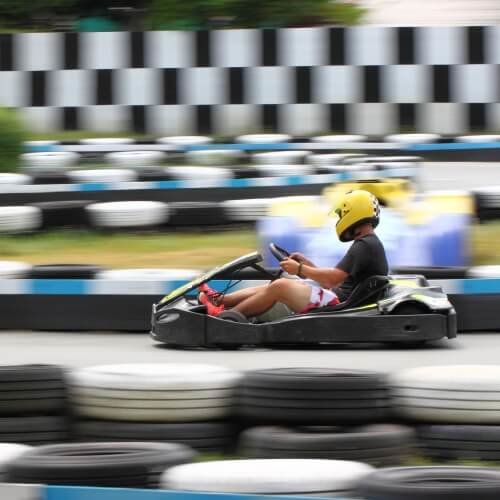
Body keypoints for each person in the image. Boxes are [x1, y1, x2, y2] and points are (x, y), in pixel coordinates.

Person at [199, 189, 388, 319]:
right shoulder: (368, 244)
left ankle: (226, 318)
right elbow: (337, 280)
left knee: (280, 286)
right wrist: (306, 266)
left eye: (341, 215)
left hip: (339, 304)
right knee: (276, 284)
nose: (340, 219)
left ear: (353, 212)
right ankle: (220, 301)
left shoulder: (364, 245)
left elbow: (331, 280)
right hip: (339, 296)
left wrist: (300, 268)